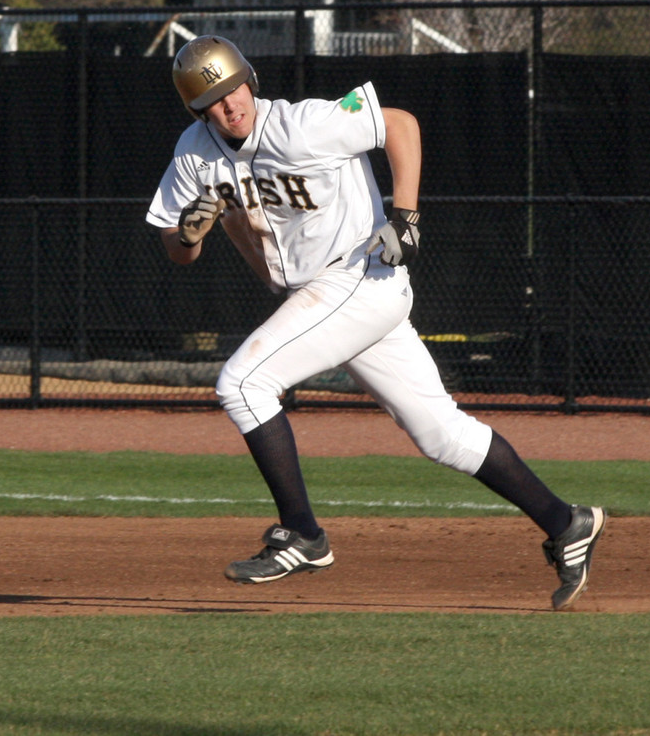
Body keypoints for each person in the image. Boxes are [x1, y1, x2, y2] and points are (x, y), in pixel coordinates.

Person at [146, 35, 606, 611]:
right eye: (212, 98)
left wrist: (406, 214)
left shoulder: (302, 125)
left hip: (359, 277)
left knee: (242, 383)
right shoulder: (194, 153)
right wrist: (187, 236)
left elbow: (401, 125)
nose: (229, 104)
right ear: (196, 109)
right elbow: (176, 248)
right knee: (442, 434)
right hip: (330, 297)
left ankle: (303, 534)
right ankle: (567, 523)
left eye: (234, 87)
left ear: (251, 80)